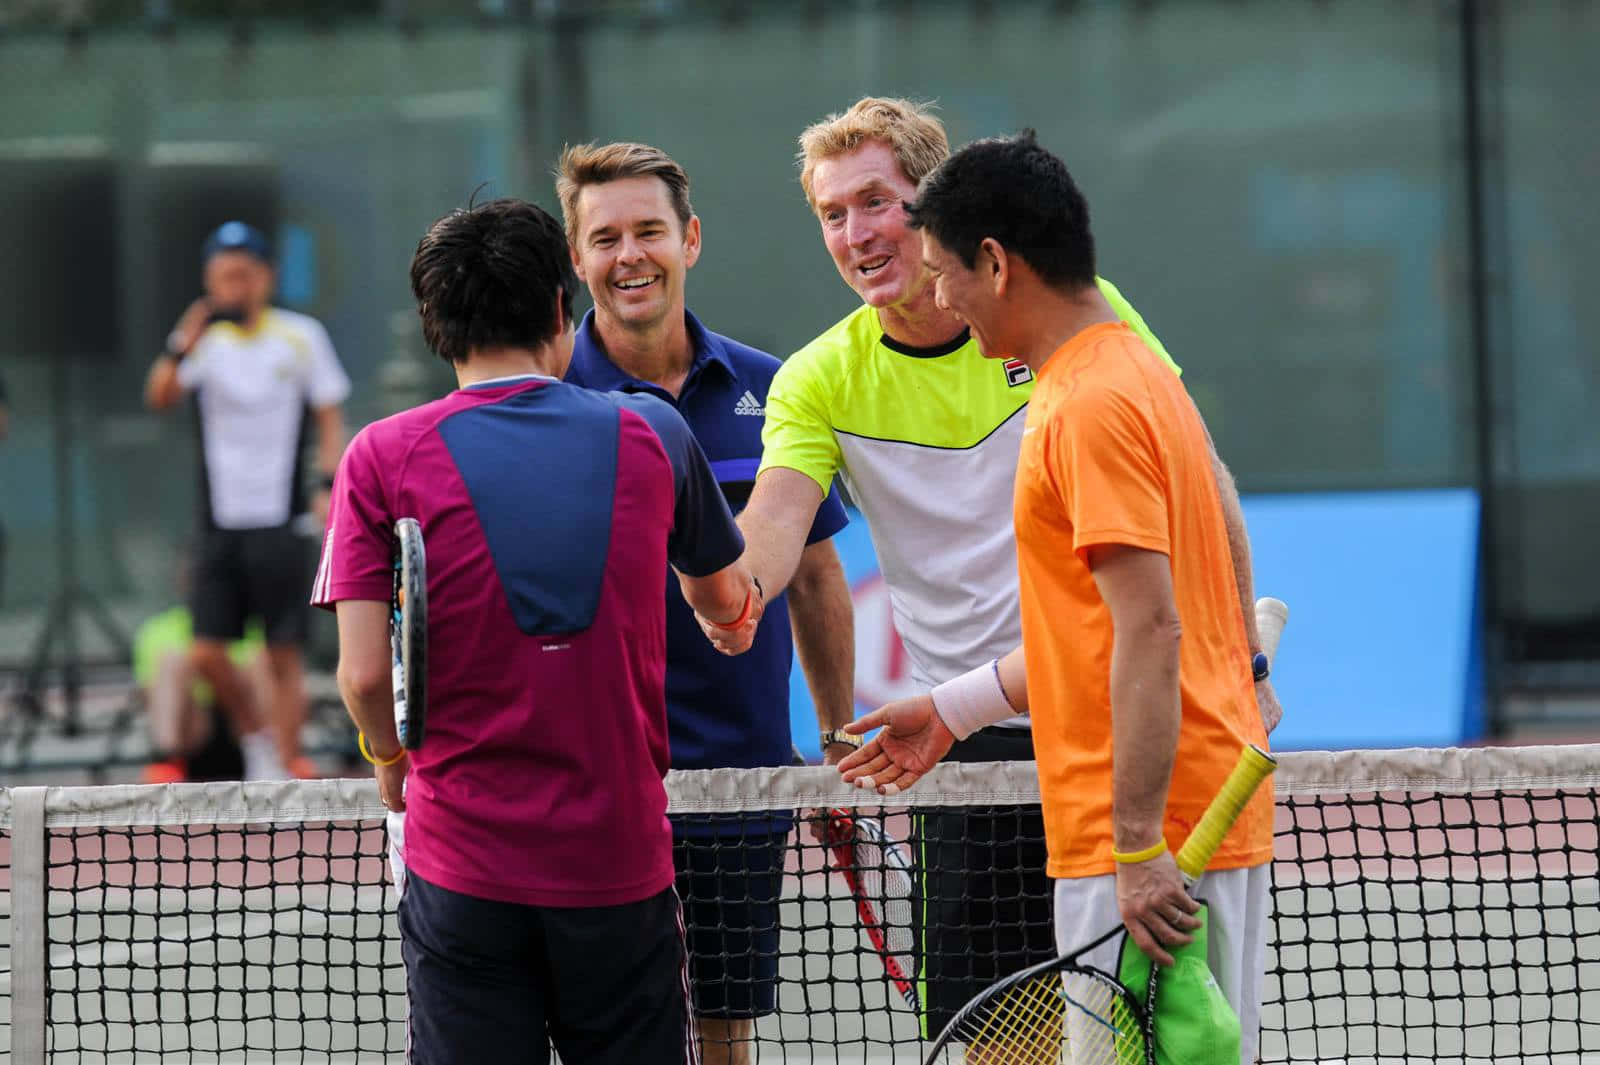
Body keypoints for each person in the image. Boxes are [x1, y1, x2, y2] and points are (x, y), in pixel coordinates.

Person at [697, 96, 1244, 1041]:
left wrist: (1246, 664)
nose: (856, 233)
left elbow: (1205, 483)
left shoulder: (1075, 331)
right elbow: (775, 526)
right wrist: (729, 585)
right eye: (832, 213)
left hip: (1124, 727)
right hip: (967, 754)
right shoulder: (820, 378)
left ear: (940, 206)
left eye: (876, 201)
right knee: (998, 1049)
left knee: (1165, 1041)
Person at [839, 132, 1278, 1065]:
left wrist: (1135, 846)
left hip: (1154, 843)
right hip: (1175, 823)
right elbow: (1098, 635)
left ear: (995, 264)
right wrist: (955, 711)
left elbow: (1153, 631)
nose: (942, 299)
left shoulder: (1084, 407)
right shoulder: (1137, 375)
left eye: (945, 274)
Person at [312, 196, 760, 1065]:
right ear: (563, 308)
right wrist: (733, 619)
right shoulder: (653, 431)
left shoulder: (376, 455)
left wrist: (388, 759)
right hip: (620, 869)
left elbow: (365, 679)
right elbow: (724, 599)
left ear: (436, 325)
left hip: (461, 872)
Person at [556, 140, 855, 1065]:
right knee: (610, 1036)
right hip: (601, 785)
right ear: (577, 259)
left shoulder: (776, 388)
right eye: (604, 238)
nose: (629, 255)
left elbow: (811, 576)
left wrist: (838, 738)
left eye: (649, 230)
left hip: (740, 778)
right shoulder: (548, 399)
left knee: (725, 1037)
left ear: (690, 239)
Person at [144, 221, 351, 779]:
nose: (232, 285)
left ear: (266, 277)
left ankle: (286, 761)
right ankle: (257, 738)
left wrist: (329, 489)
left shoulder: (300, 336)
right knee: (207, 650)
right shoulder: (202, 342)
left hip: (282, 519)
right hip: (219, 522)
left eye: (242, 274)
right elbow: (159, 395)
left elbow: (331, 414)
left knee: (283, 653)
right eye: (221, 276)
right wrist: (180, 340)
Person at [135, 601, 269, 784]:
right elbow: (148, 691)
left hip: (242, 727)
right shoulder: (158, 629)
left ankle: (274, 756)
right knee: (172, 663)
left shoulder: (253, 627)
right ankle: (169, 761)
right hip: (193, 728)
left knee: (260, 663)